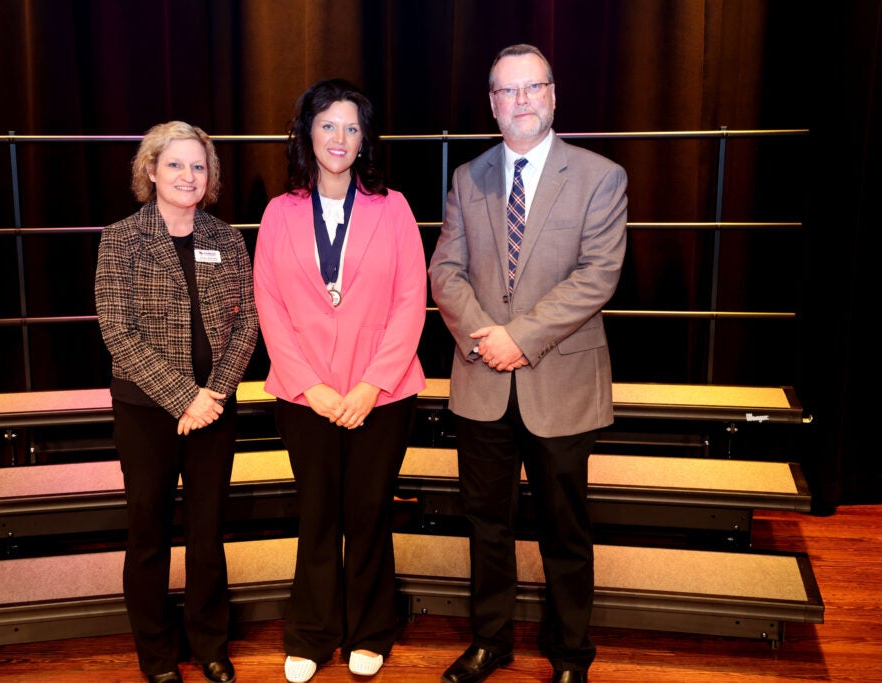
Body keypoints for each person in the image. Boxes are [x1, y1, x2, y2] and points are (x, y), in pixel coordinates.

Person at [429, 44, 627, 683]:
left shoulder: (601, 176)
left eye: (532, 88)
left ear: (553, 94)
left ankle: (571, 653)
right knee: (486, 526)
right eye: (507, 91)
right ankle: (491, 641)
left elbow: (597, 276)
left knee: (565, 531)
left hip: (561, 383)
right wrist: (489, 338)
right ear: (491, 103)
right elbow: (446, 271)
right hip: (482, 381)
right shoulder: (468, 177)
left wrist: (520, 337)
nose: (521, 101)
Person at [253, 79, 427, 683]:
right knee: (318, 513)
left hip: (382, 395)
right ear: (306, 133)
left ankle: (370, 630)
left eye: (352, 128)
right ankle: (312, 632)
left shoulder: (394, 207)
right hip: (307, 398)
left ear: (365, 140)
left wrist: (368, 387)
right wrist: (313, 388)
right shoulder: (280, 212)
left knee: (370, 511)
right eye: (328, 125)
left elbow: (412, 301)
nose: (339, 138)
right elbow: (268, 305)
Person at [95, 121, 258, 683]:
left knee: (209, 531)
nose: (188, 176)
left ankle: (210, 642)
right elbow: (118, 330)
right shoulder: (120, 238)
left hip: (215, 407)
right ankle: (157, 654)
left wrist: (214, 394)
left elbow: (249, 323)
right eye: (176, 165)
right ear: (150, 170)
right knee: (149, 533)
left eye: (199, 166)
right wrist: (184, 397)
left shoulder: (227, 238)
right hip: (147, 411)